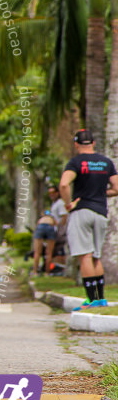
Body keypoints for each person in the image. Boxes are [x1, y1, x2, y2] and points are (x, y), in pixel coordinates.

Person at [59, 129, 118, 310]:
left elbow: (63, 184)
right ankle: (100, 299)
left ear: (76, 144)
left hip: (82, 211)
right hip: (101, 212)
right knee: (96, 256)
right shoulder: (106, 162)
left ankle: (91, 300)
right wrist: (102, 194)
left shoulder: (76, 162)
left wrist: (68, 203)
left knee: (84, 255)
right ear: (93, 143)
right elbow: (116, 188)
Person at [47, 184, 69, 273]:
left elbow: (64, 217)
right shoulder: (54, 204)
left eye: (53, 192)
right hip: (54, 230)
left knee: (59, 250)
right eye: (49, 193)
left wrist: (60, 230)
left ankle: (60, 268)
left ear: (57, 193)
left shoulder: (60, 203)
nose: (51, 195)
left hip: (60, 232)